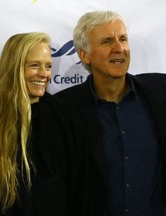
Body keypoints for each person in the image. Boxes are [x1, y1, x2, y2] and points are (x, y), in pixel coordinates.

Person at [55, 10, 166, 216]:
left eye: (123, 39)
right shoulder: (63, 109)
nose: (119, 48)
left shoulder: (160, 91)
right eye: (107, 41)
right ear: (84, 55)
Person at [0, 32, 84, 216]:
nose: (44, 74)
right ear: (13, 67)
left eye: (48, 66)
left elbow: (77, 185)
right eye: (34, 65)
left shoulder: (64, 117)